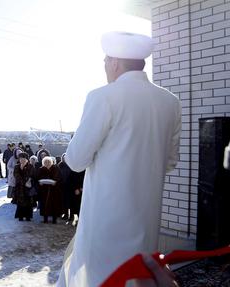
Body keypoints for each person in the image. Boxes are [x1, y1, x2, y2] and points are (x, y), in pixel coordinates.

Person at [57, 31, 181, 287]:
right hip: (146, 221)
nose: (104, 67)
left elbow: (76, 159)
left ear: (114, 62)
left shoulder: (103, 97)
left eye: (105, 61)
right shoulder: (171, 102)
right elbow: (170, 162)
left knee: (101, 279)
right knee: (137, 279)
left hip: (104, 224)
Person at [37, 156, 62, 224]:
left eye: (48, 162)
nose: (47, 163)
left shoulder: (56, 168)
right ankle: (45, 219)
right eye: (45, 162)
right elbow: (38, 178)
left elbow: (59, 177)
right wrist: (40, 183)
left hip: (54, 190)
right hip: (44, 190)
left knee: (54, 205)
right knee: (45, 205)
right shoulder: (41, 169)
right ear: (43, 163)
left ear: (51, 162)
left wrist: (56, 182)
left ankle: (54, 219)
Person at [13, 152, 35, 221]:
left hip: (28, 187)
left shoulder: (30, 166)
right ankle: (20, 216)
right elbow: (16, 176)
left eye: (23, 159)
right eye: (21, 159)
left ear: (27, 159)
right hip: (19, 187)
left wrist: (24, 170)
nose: (22, 160)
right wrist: (21, 169)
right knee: (20, 202)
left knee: (28, 202)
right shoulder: (17, 166)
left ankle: (28, 216)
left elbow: (31, 175)